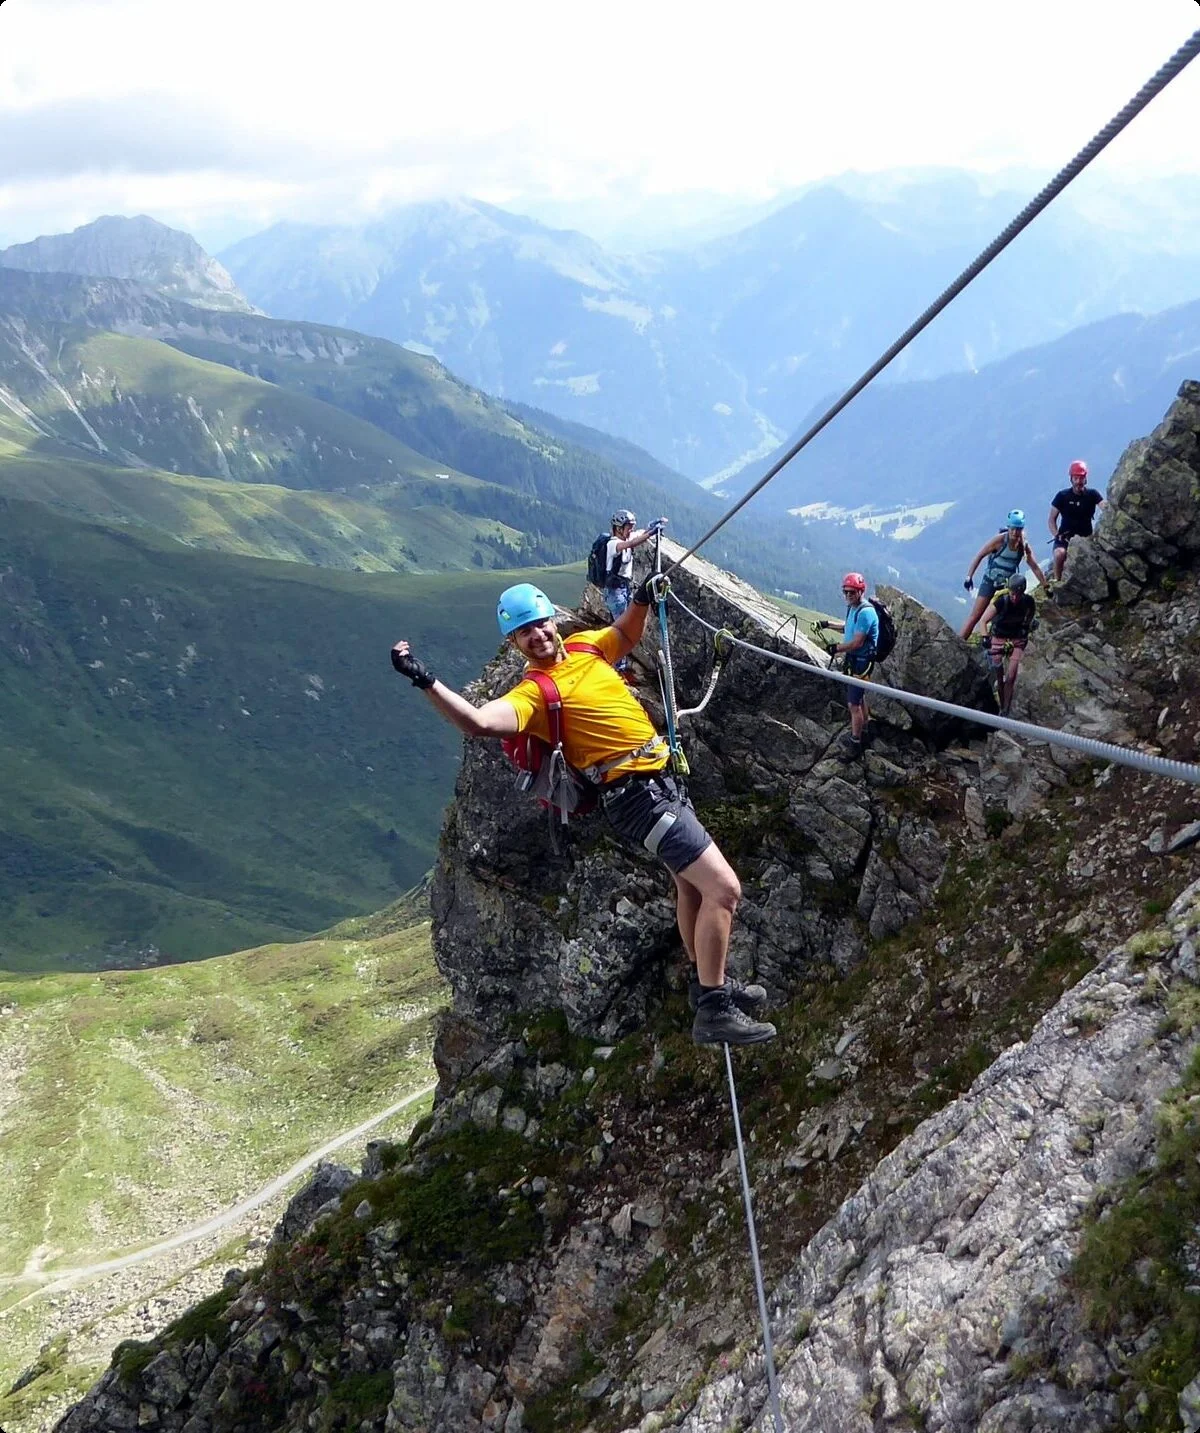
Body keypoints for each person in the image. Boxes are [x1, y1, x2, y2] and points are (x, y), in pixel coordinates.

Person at [389, 580, 776, 1047]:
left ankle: (704, 984)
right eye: (524, 632)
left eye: (539, 624)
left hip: (661, 783)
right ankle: (715, 1007)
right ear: (514, 643)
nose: (537, 635)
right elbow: (479, 722)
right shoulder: (534, 694)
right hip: (638, 797)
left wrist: (641, 599)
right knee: (725, 889)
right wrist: (424, 679)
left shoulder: (585, 648)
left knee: (689, 885)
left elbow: (626, 636)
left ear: (553, 620)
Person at [816, 572, 877, 758]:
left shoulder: (865, 612)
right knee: (859, 698)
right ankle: (865, 730)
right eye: (845, 592)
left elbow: (857, 642)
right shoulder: (854, 608)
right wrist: (827, 625)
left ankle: (855, 743)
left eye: (852, 592)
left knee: (853, 705)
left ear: (860, 592)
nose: (848, 595)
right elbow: (848, 627)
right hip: (855, 660)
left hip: (861, 662)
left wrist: (836, 648)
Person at [960, 510, 1047, 639]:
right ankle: (959, 642)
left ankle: (1000, 641)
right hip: (990, 580)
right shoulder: (999, 540)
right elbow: (979, 555)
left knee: (1005, 614)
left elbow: (1033, 565)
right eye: (1012, 529)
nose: (1014, 532)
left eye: (1018, 529)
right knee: (975, 616)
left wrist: (1046, 585)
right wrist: (969, 577)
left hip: (1007, 586)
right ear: (1008, 527)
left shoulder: (1024, 546)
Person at [601, 510, 666, 678]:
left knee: (624, 624)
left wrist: (651, 528)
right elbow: (629, 544)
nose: (630, 530)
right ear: (618, 528)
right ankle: (618, 668)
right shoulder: (612, 544)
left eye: (631, 527)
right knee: (622, 629)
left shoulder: (625, 538)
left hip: (623, 588)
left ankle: (618, 664)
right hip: (615, 592)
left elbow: (637, 536)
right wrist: (650, 533)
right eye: (628, 527)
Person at [979, 573, 1037, 716]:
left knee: (1011, 676)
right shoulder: (1001, 602)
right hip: (998, 638)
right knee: (999, 676)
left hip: (1017, 640)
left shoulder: (1028, 602)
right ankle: (1002, 706)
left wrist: (1027, 626)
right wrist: (985, 637)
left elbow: (1030, 617)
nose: (1015, 597)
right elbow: (983, 621)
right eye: (1012, 594)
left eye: (1018, 594)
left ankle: (1006, 709)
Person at [1048, 460, 1105, 581]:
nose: (1079, 481)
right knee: (1059, 554)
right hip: (1065, 538)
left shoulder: (1092, 494)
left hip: (1086, 538)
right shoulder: (1062, 496)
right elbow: (1051, 519)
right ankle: (1057, 581)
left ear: (1085, 478)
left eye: (1081, 478)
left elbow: (1104, 506)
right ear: (1071, 479)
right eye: (1076, 478)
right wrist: (1056, 534)